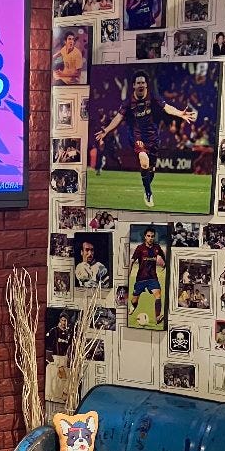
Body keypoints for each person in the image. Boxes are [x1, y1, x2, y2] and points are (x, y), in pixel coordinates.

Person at [94, 72, 197, 209]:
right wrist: (106, 130)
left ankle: (146, 188)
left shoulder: (153, 97)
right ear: (134, 85)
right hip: (137, 136)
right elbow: (118, 118)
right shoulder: (128, 102)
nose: (141, 85)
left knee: (151, 169)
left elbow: (167, 108)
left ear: (146, 85)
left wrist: (180, 113)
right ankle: (148, 193)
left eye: (143, 82)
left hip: (153, 137)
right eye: (138, 83)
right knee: (144, 161)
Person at [129, 226, 166, 324]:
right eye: (148, 236)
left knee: (158, 295)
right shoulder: (140, 248)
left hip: (152, 277)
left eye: (152, 236)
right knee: (134, 300)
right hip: (141, 278)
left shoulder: (157, 247)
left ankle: (157, 317)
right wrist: (128, 273)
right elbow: (132, 261)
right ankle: (133, 306)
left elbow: (163, 255)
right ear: (145, 237)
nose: (150, 238)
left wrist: (165, 263)